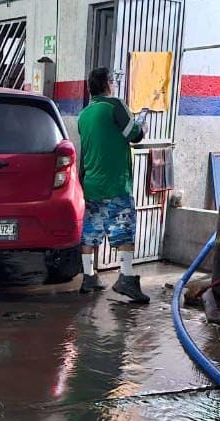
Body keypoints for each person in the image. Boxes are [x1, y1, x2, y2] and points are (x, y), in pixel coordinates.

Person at [76, 67, 150, 303]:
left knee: (90, 232)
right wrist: (142, 125)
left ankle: (88, 277)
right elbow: (134, 135)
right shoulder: (115, 106)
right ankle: (126, 279)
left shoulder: (84, 114)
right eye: (113, 80)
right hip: (115, 184)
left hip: (91, 184)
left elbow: (88, 148)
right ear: (108, 83)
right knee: (124, 231)